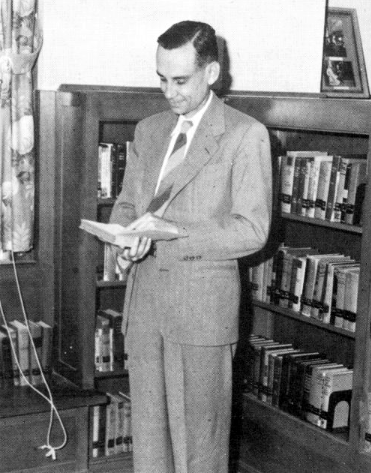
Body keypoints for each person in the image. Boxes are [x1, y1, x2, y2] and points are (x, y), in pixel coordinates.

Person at [109, 20, 272, 473]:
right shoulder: (149, 130)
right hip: (145, 310)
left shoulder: (245, 135)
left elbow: (252, 229)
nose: (169, 91)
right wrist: (125, 237)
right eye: (162, 78)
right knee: (150, 447)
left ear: (212, 72)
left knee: (200, 453)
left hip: (201, 316)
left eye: (180, 80)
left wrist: (172, 233)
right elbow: (126, 204)